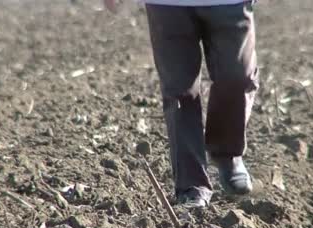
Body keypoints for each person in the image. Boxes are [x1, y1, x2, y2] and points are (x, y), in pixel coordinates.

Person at [104, 0, 259, 208]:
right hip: (167, 6)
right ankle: (191, 186)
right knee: (179, 91)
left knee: (236, 77)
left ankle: (228, 153)